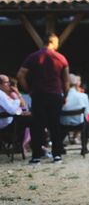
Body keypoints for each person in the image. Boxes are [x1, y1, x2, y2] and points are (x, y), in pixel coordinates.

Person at [17, 33, 70, 164]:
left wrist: (29, 90)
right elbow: (66, 80)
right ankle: (57, 155)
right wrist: (65, 95)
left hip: (38, 94)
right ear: (52, 42)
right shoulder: (61, 58)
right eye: (57, 42)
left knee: (37, 125)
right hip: (55, 94)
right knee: (55, 124)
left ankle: (36, 156)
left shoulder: (33, 57)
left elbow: (20, 75)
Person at [60, 73, 89, 150]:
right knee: (87, 122)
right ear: (76, 84)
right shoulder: (83, 96)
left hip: (62, 124)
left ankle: (59, 146)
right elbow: (87, 112)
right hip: (79, 124)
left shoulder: (60, 96)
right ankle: (84, 147)